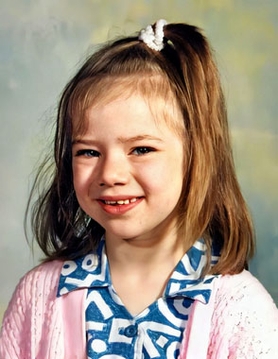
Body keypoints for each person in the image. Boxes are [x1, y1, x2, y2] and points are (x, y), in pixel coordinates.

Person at [0, 19, 277, 359]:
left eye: (141, 149)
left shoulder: (241, 312)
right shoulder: (38, 297)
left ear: (197, 156)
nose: (111, 174)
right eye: (88, 152)